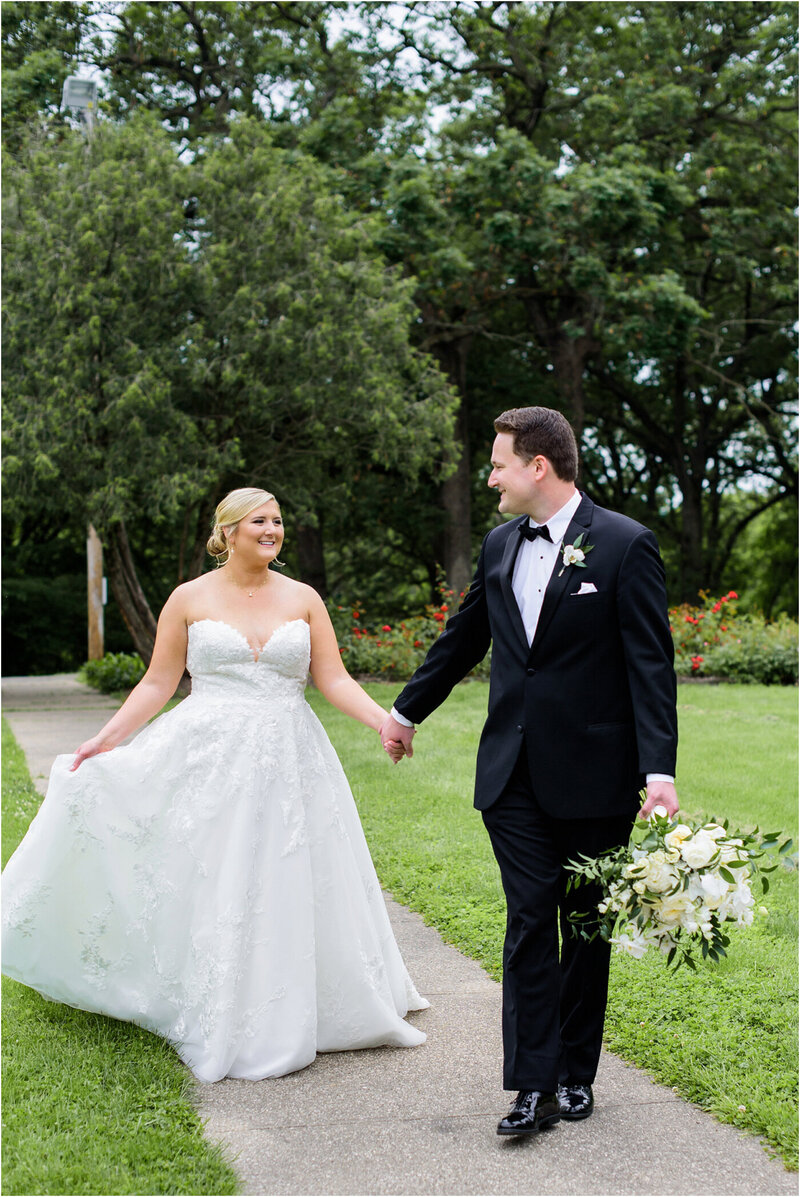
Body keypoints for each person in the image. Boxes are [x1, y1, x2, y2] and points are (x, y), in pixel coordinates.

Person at [2, 487, 428, 1083]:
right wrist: (106, 739)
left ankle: (308, 998)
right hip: (209, 756)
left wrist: (386, 722)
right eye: (260, 520)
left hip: (290, 755)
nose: (273, 529)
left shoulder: (304, 599)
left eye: (278, 520)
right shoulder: (189, 597)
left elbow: (332, 678)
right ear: (228, 531)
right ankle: (210, 993)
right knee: (214, 873)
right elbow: (157, 682)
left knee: (291, 871)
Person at [380, 407, 678, 1136]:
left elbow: (650, 666)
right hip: (510, 771)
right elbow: (465, 634)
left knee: (583, 925)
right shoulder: (499, 544)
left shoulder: (624, 545)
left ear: (537, 466)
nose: (490, 478)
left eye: (498, 464)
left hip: (596, 774)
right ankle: (529, 1085)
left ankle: (576, 1075)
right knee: (528, 916)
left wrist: (659, 770)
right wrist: (406, 711)